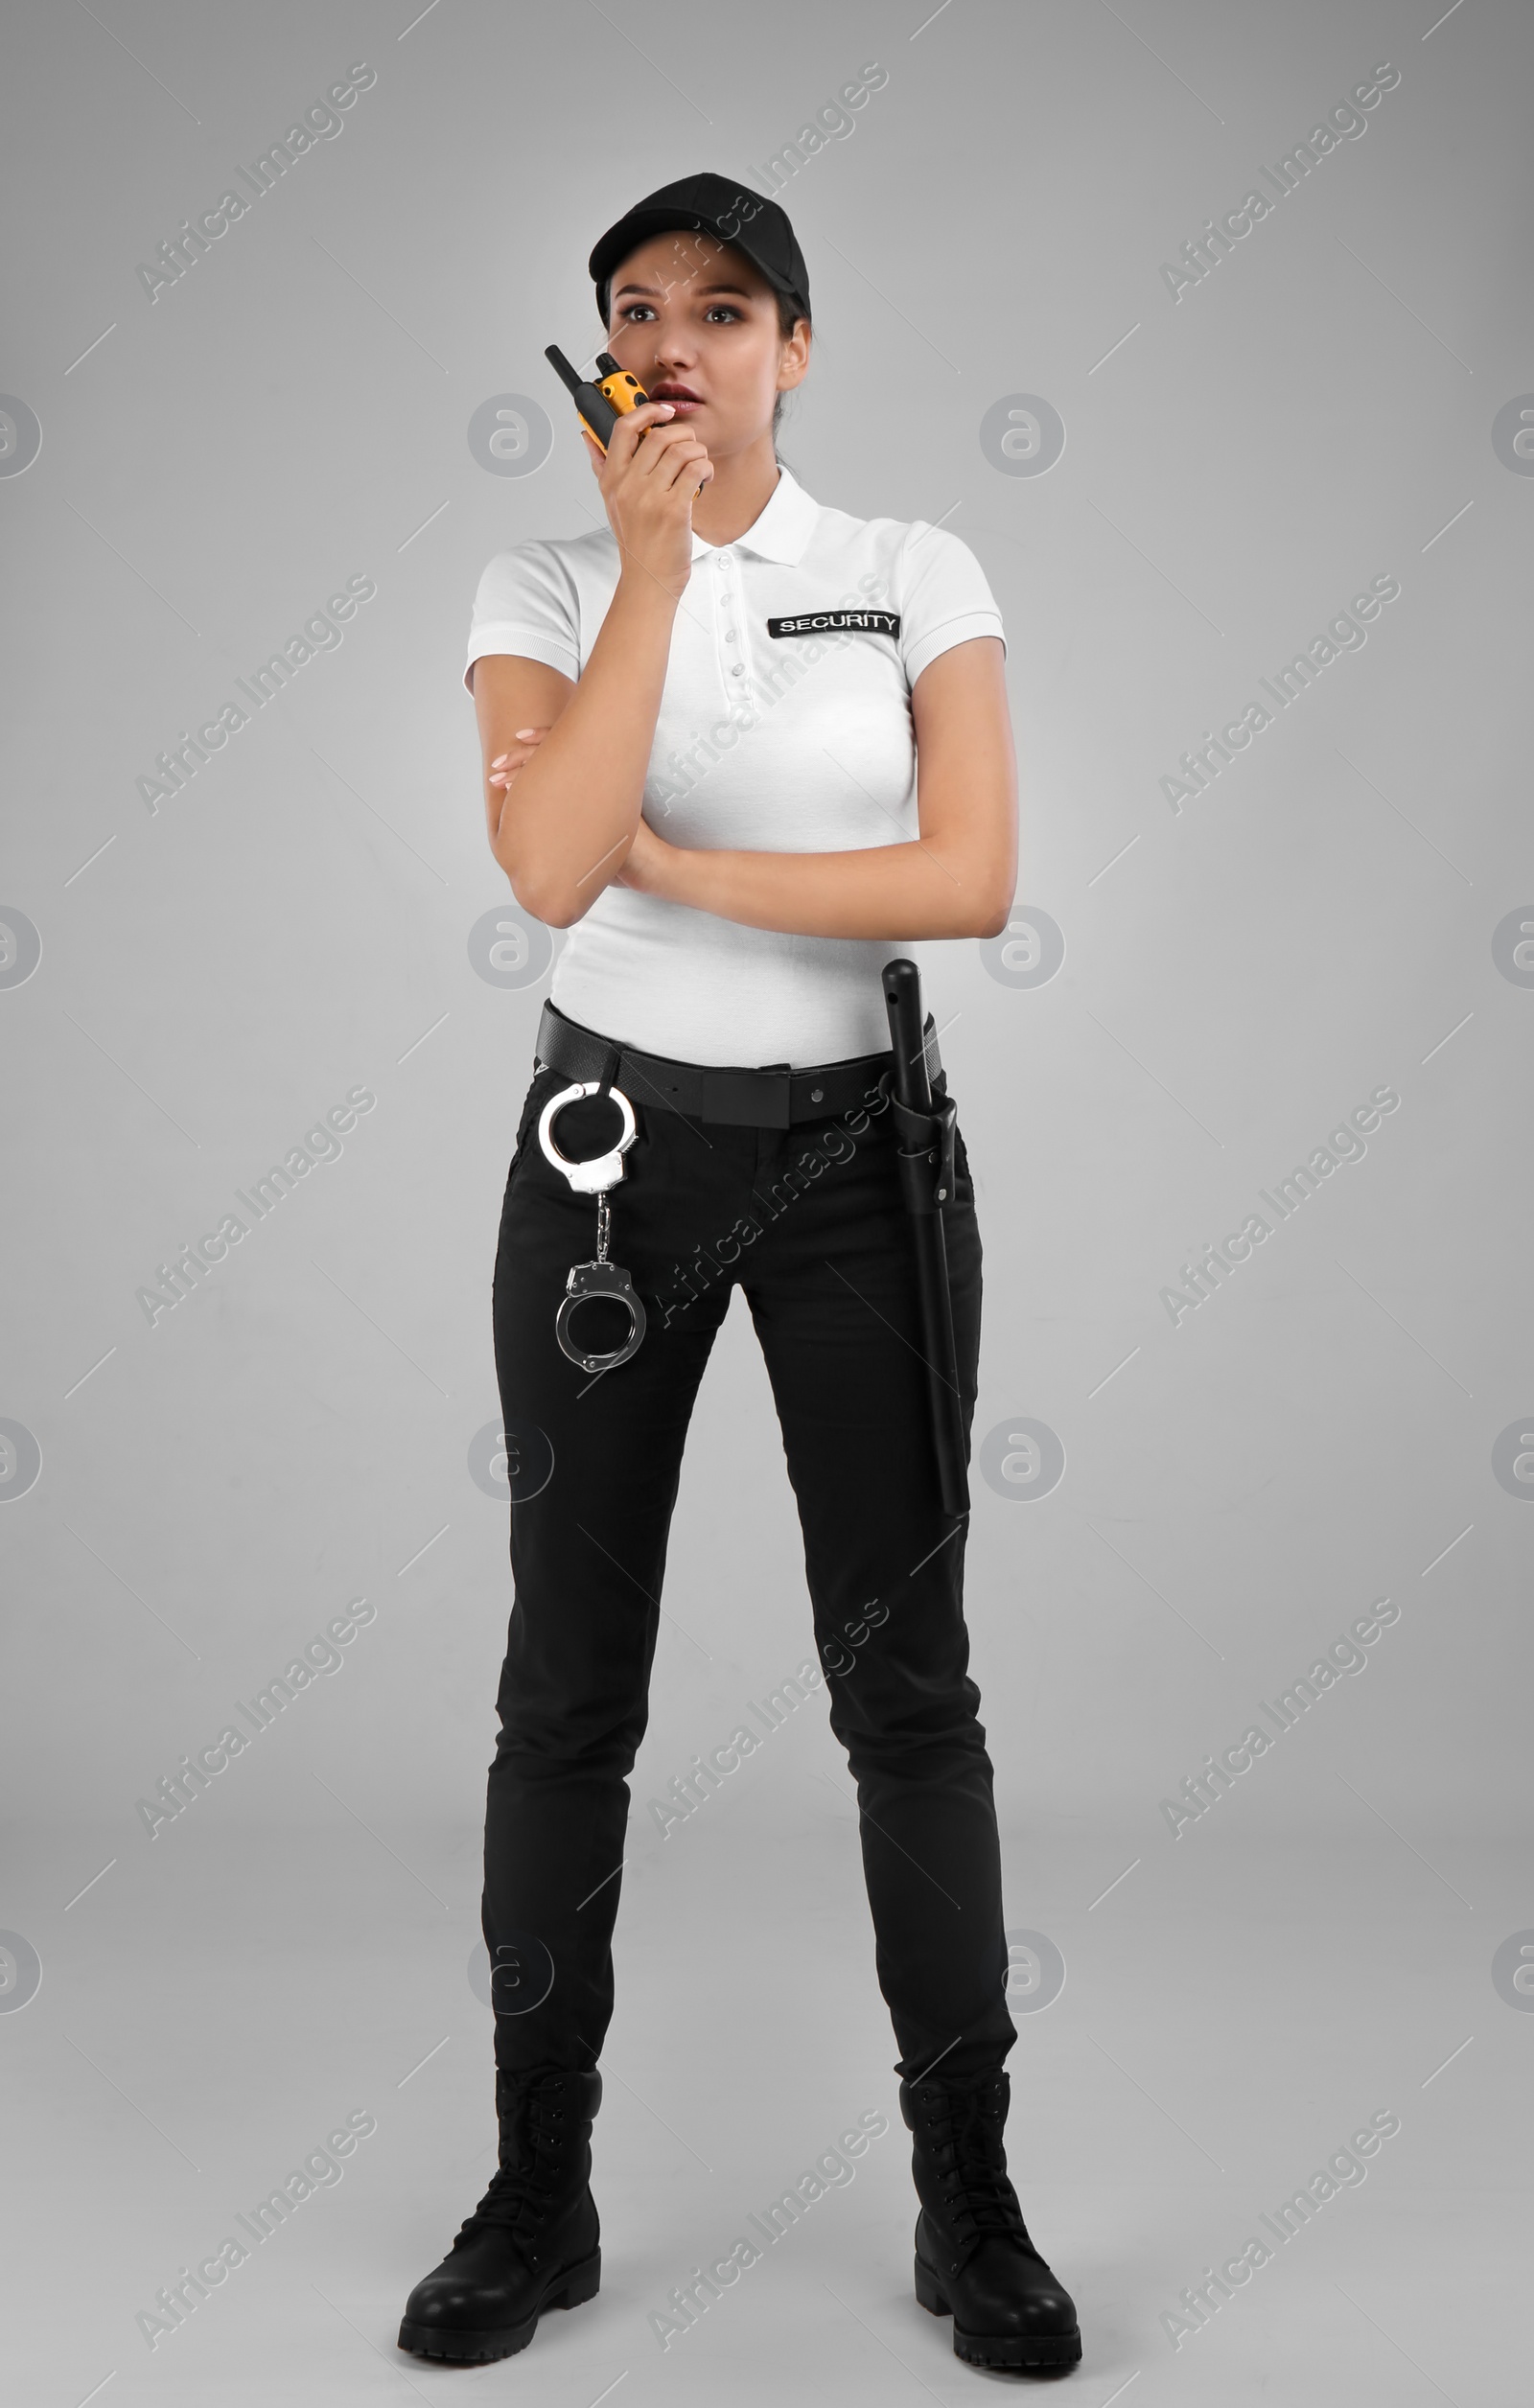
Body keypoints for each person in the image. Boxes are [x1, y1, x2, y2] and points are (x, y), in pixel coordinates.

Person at [396, 173, 1081, 2377]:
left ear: (796, 344)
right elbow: (533, 859)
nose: (672, 338)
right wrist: (656, 575)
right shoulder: (545, 577)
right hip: (604, 1175)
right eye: (629, 310)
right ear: (599, 365)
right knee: (564, 1688)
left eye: (720, 305)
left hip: (862, 1172)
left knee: (911, 1693)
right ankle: (536, 2182)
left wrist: (673, 859)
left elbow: (967, 875)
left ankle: (967, 2196)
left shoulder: (906, 573)